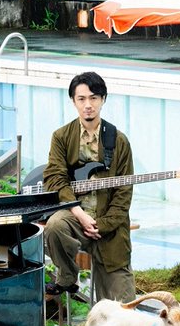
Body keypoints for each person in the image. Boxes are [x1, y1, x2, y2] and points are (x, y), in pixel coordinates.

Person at [41, 71, 136, 304]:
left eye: (94, 98)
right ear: (73, 101)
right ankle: (67, 277)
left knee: (123, 310)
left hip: (109, 230)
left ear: (103, 99)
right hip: (75, 219)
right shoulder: (61, 137)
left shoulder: (119, 140)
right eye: (81, 99)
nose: (88, 105)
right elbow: (55, 178)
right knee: (54, 226)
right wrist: (79, 214)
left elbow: (123, 194)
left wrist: (100, 225)